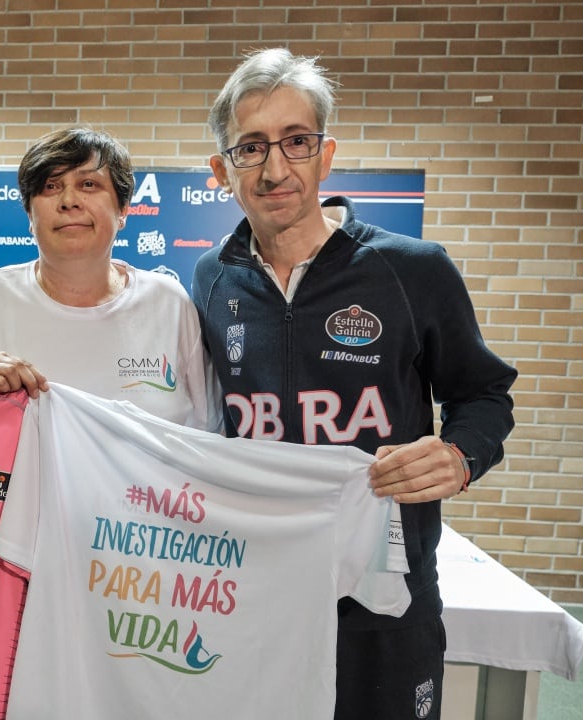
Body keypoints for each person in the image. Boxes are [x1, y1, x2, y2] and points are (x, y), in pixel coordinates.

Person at [192, 48, 516, 720]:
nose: (276, 168)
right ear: (223, 171)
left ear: (326, 154)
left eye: (296, 141)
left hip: (383, 600)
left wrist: (460, 455)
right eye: (251, 147)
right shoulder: (210, 279)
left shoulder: (412, 269)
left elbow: (483, 395)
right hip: (257, 592)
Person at [0, 125, 221, 432]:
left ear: (123, 209)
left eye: (88, 184)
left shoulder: (168, 303)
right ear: (30, 216)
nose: (69, 200)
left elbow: (209, 434)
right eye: (50, 186)